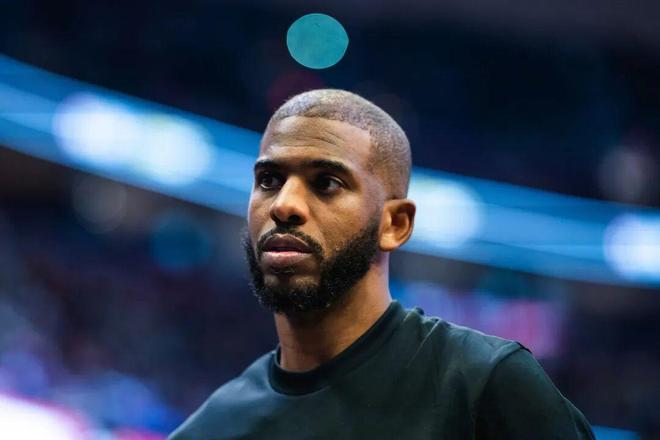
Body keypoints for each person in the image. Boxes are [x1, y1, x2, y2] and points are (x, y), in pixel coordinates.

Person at [169, 89, 595, 439]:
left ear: (394, 224)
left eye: (326, 183)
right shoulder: (210, 430)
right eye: (269, 180)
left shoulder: (484, 385)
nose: (284, 205)